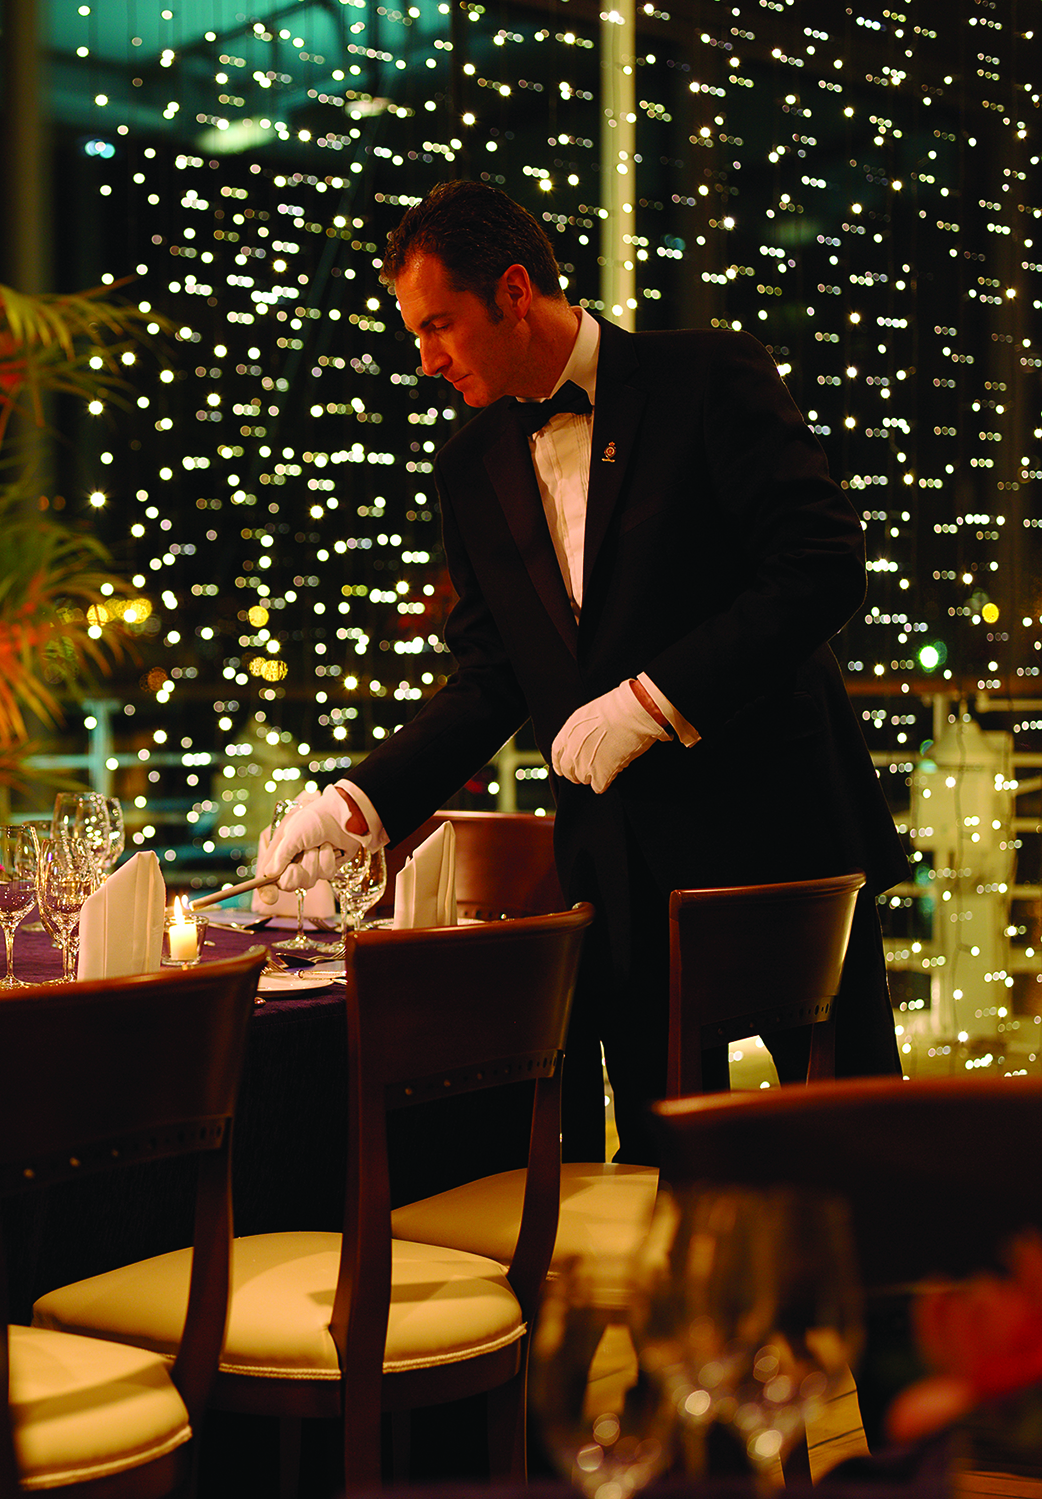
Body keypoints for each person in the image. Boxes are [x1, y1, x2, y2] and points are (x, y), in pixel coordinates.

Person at [261, 180, 908, 1165]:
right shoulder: (470, 459)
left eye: (437, 325)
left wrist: (654, 702)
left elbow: (820, 571)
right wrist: (360, 804)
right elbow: (488, 677)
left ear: (513, 291)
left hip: (783, 845)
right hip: (624, 870)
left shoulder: (706, 378)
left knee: (861, 1151)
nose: (423, 359)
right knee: (660, 1172)